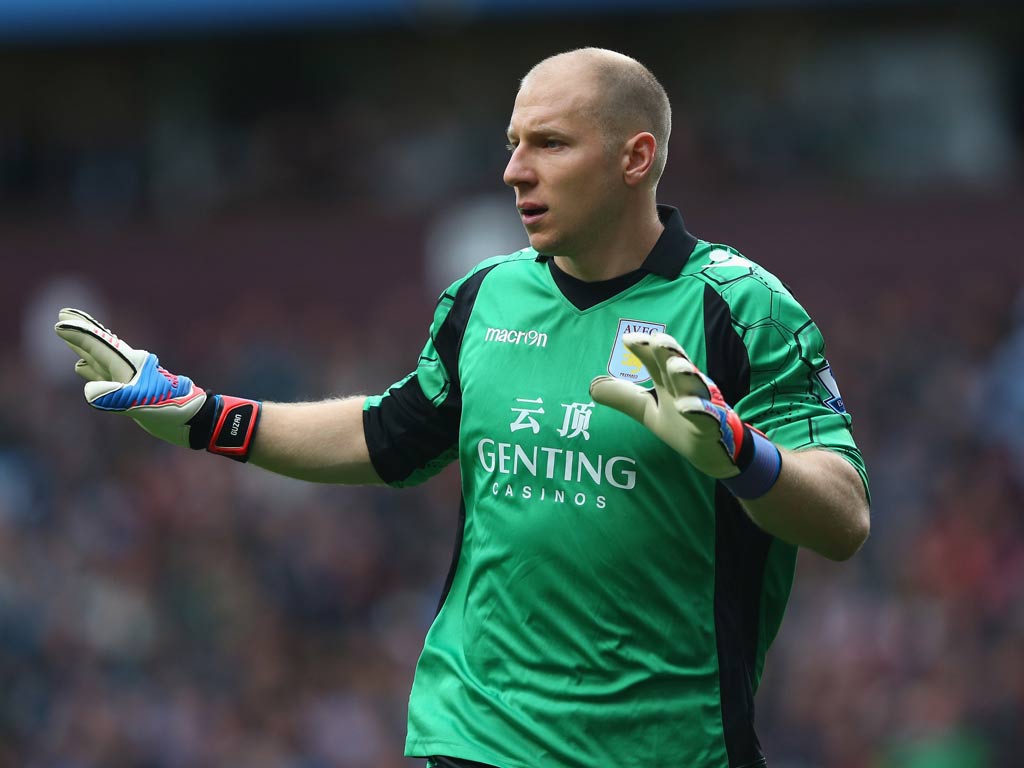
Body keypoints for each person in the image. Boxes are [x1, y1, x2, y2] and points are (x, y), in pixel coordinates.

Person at [55, 48, 870, 768]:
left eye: (550, 143)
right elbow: (389, 435)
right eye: (513, 144)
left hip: (669, 748)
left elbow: (844, 519)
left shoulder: (740, 307)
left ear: (636, 158)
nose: (517, 170)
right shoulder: (486, 296)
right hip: (477, 737)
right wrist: (205, 415)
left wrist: (738, 452)